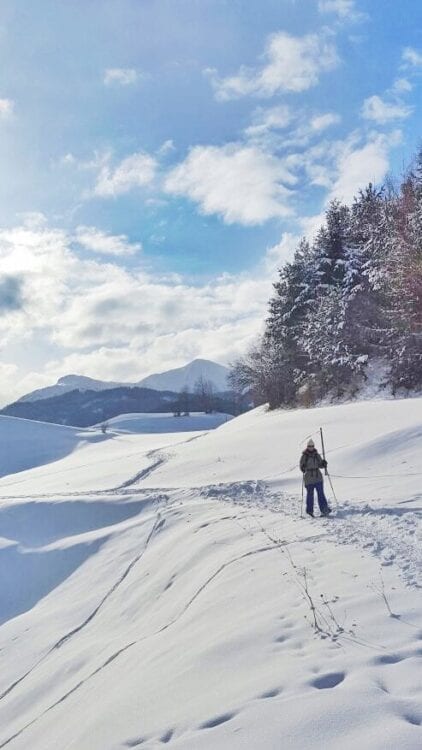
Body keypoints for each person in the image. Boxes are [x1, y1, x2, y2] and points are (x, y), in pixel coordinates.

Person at [300, 438, 331, 517]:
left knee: (321, 493)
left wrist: (323, 464)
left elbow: (320, 465)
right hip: (309, 478)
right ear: (307, 446)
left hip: (318, 477)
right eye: (309, 446)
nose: (311, 447)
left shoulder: (317, 455)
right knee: (310, 495)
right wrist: (303, 468)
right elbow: (301, 467)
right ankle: (309, 511)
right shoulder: (304, 456)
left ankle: (324, 510)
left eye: (312, 446)